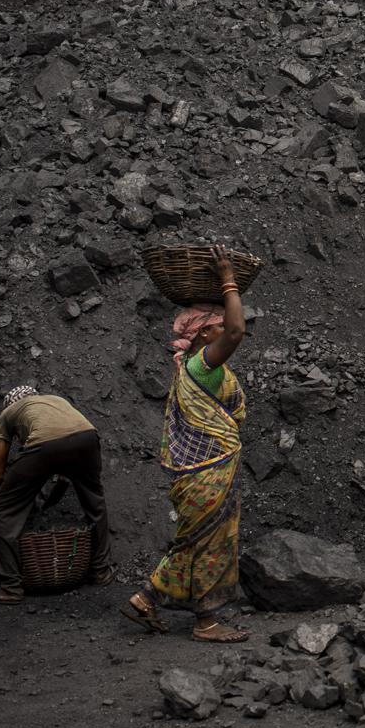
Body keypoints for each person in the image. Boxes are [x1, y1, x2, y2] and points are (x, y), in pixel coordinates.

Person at [123, 246, 250, 643]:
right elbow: (237, 330)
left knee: (195, 541)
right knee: (210, 542)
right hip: (206, 471)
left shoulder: (195, 370)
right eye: (215, 325)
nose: (223, 329)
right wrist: (228, 277)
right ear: (203, 335)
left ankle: (148, 598)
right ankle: (206, 622)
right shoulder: (202, 365)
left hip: (201, 473)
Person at [0, 384, 112, 604]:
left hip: (45, 444)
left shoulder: (7, 414)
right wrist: (51, 498)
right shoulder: (56, 401)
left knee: (2, 509)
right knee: (95, 502)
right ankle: (101, 571)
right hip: (88, 436)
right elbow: (64, 473)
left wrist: (8, 501)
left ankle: (11, 587)